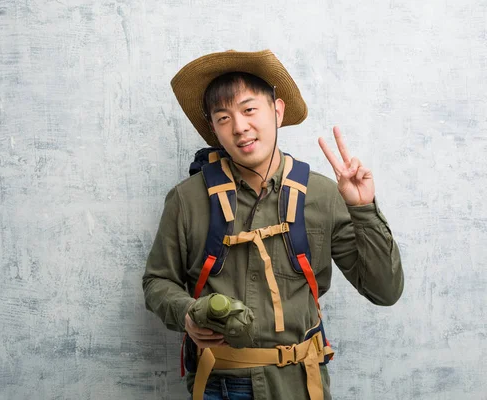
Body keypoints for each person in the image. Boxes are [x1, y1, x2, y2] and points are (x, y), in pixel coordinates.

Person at [142, 49, 404, 400]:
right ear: (214, 130)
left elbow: (385, 291)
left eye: (250, 110)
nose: (239, 127)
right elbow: (157, 281)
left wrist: (363, 209)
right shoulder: (187, 199)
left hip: (302, 383)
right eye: (223, 118)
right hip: (220, 382)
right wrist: (188, 314)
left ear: (277, 111)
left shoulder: (323, 194)